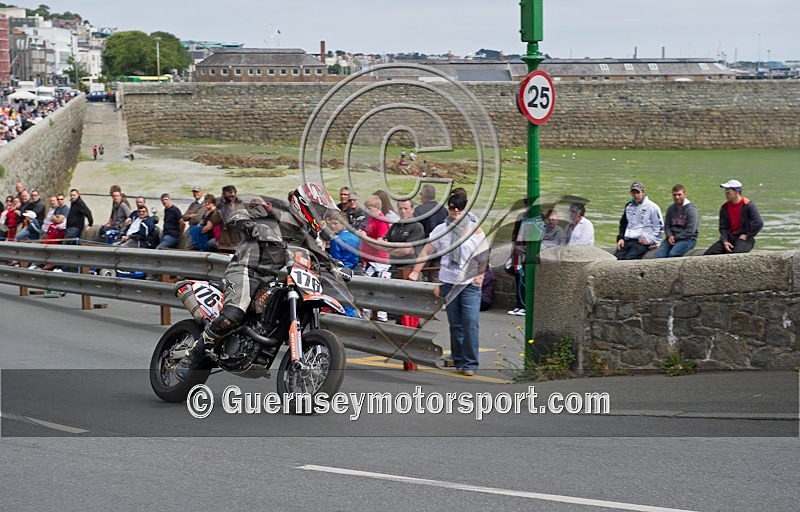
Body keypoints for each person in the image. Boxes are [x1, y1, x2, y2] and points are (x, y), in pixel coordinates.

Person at [176, 183, 343, 381]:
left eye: (322, 211)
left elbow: (319, 253)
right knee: (234, 313)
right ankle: (192, 356)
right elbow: (236, 216)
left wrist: (335, 266)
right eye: (319, 210)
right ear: (304, 205)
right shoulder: (273, 210)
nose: (321, 215)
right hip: (245, 269)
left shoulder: (308, 234)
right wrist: (256, 228)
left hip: (269, 277)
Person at [408, 193, 489, 376]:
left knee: (470, 322)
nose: (456, 211)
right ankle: (459, 359)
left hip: (469, 283)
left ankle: (470, 364)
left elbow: (483, 253)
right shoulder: (441, 230)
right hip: (449, 282)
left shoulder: (474, 229)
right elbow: (426, 252)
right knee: (456, 324)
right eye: (452, 208)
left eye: (460, 208)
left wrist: (481, 274)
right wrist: (415, 271)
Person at [704, 179, 763, 255]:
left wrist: (748, 235)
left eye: (728, 192)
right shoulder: (724, 207)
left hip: (744, 238)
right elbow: (723, 228)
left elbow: (758, 223)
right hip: (730, 238)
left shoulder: (748, 205)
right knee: (709, 253)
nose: (726, 194)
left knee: (736, 254)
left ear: (737, 192)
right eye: (725, 192)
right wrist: (725, 241)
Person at [359, 194, 391, 322]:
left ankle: (381, 318)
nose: (367, 211)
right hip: (368, 259)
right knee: (367, 290)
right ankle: (366, 317)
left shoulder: (381, 221)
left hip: (377, 261)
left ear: (377, 208)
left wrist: (364, 237)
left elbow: (380, 243)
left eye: (370, 208)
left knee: (376, 291)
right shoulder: (371, 219)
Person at [614, 181, 663, 260]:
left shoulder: (652, 207)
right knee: (616, 258)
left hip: (642, 241)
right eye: (633, 193)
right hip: (628, 239)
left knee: (629, 259)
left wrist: (650, 240)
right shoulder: (629, 206)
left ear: (643, 192)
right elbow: (623, 223)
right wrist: (621, 238)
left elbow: (659, 227)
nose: (636, 195)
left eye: (638, 192)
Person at [654, 184, 699, 258]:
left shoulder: (691, 210)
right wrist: (669, 235)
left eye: (679, 194)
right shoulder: (671, 209)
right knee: (658, 255)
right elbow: (667, 225)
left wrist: (676, 237)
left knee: (673, 254)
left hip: (688, 239)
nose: (677, 197)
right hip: (671, 238)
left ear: (684, 194)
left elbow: (691, 230)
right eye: (674, 195)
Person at [208, 185, 244, 253]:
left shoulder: (240, 205)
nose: (231, 199)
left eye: (232, 196)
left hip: (237, 243)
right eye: (228, 197)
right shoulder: (221, 207)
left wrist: (231, 207)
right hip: (224, 243)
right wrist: (221, 207)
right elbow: (214, 221)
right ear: (224, 196)